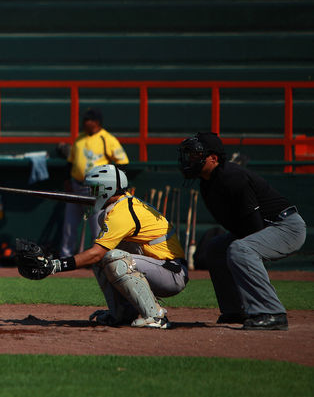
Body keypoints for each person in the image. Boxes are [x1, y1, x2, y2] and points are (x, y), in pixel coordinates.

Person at [16, 164, 187, 329]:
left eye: (95, 189)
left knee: (113, 259)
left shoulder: (123, 212)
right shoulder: (119, 207)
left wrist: (53, 266)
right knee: (103, 260)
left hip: (171, 273)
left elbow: (96, 253)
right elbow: (97, 256)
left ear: (108, 188)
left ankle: (156, 316)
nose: (91, 193)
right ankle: (121, 313)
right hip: (155, 266)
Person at [178, 132, 307, 330]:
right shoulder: (208, 183)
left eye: (196, 154)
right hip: (266, 227)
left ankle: (271, 312)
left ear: (213, 158)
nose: (191, 159)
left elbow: (254, 226)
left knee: (240, 249)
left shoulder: (231, 176)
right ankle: (236, 310)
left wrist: (248, 251)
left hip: (285, 226)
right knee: (215, 248)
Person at [59, 108, 129, 258]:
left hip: (97, 189)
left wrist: (116, 185)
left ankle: (99, 259)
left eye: (88, 120)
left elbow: (123, 162)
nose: (85, 122)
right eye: (85, 120)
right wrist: (67, 179)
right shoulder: (79, 138)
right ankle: (65, 257)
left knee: (97, 226)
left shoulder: (107, 138)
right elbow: (70, 162)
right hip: (76, 185)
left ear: (96, 122)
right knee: (69, 225)